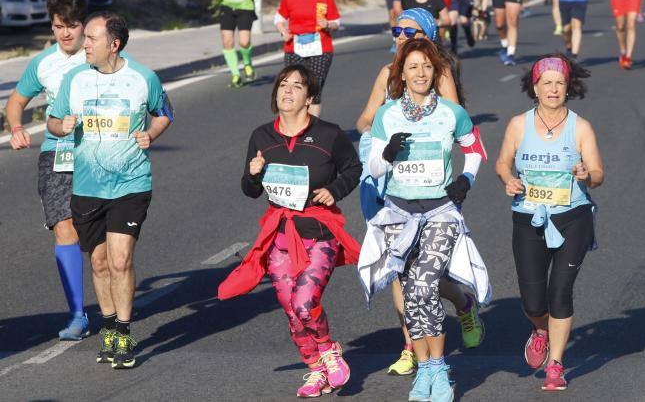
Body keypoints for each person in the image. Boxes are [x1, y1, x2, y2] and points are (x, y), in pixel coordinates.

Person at [358, 38, 490, 402]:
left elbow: (474, 149)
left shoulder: (451, 113)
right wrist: (387, 153)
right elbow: (373, 168)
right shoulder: (388, 115)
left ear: (435, 72)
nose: (420, 73)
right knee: (412, 298)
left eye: (426, 67)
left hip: (440, 212)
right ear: (401, 73)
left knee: (424, 285)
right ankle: (426, 370)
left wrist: (466, 179)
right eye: (413, 67)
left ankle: (439, 370)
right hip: (399, 214)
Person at [218, 64, 362, 397]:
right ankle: (316, 371)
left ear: (309, 97)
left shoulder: (329, 135)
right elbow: (250, 189)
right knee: (291, 313)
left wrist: (335, 190)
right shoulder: (262, 137)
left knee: (303, 303)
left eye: (297, 87)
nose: (287, 91)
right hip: (280, 236)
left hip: (319, 233)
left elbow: (353, 168)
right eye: (283, 84)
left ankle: (328, 350)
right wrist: (254, 174)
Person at [47, 12, 174, 369]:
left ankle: (123, 330)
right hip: (87, 185)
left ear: (113, 44)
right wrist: (62, 126)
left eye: (91, 38)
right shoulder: (74, 79)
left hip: (131, 183)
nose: (83, 44)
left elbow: (163, 112)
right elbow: (52, 120)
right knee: (100, 262)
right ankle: (107, 324)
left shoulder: (143, 78)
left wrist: (152, 133)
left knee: (120, 260)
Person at [495, 53, 603, 391]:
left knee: (560, 291)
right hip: (529, 217)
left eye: (559, 83)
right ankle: (540, 329)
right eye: (547, 83)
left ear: (568, 87)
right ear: (535, 87)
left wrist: (587, 174)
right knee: (533, 301)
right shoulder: (518, 124)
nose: (553, 89)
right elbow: (501, 162)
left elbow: (598, 173)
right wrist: (508, 179)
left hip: (572, 216)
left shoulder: (580, 127)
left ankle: (556, 364)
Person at [6, 0, 89, 341]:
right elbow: (15, 101)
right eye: (59, 27)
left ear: (83, 24)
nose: (65, 34)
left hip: (99, 154)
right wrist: (17, 127)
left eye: (71, 26)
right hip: (57, 152)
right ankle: (77, 314)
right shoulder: (42, 63)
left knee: (98, 237)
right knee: (63, 227)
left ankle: (115, 306)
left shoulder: (98, 55)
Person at [275, 0, 340, 117]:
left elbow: (337, 22)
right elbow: (279, 18)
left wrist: (327, 24)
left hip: (320, 48)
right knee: (293, 89)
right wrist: (283, 31)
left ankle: (312, 133)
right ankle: (294, 127)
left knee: (313, 91)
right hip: (295, 47)